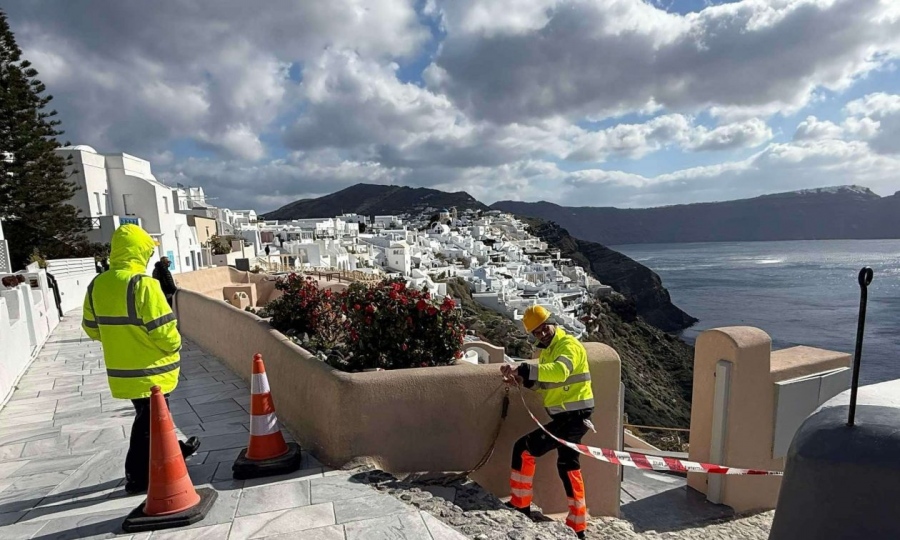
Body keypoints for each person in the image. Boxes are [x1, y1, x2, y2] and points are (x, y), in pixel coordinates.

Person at [82, 224, 200, 494]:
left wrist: (120, 341)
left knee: (152, 416)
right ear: (140, 253)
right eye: (147, 253)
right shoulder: (143, 284)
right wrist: (176, 345)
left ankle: (176, 450)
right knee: (149, 421)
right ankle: (137, 475)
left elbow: (91, 327)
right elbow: (164, 331)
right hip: (152, 368)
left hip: (121, 369)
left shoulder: (97, 284)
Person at [500, 305, 594, 539]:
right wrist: (522, 380)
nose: (542, 334)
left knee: (523, 450)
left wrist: (523, 368)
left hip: (572, 417)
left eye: (544, 329)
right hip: (573, 417)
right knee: (568, 466)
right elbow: (547, 383)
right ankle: (578, 525)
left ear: (553, 323)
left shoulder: (568, 345)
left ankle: (521, 505)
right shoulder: (549, 352)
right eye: (537, 333)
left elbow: (559, 372)